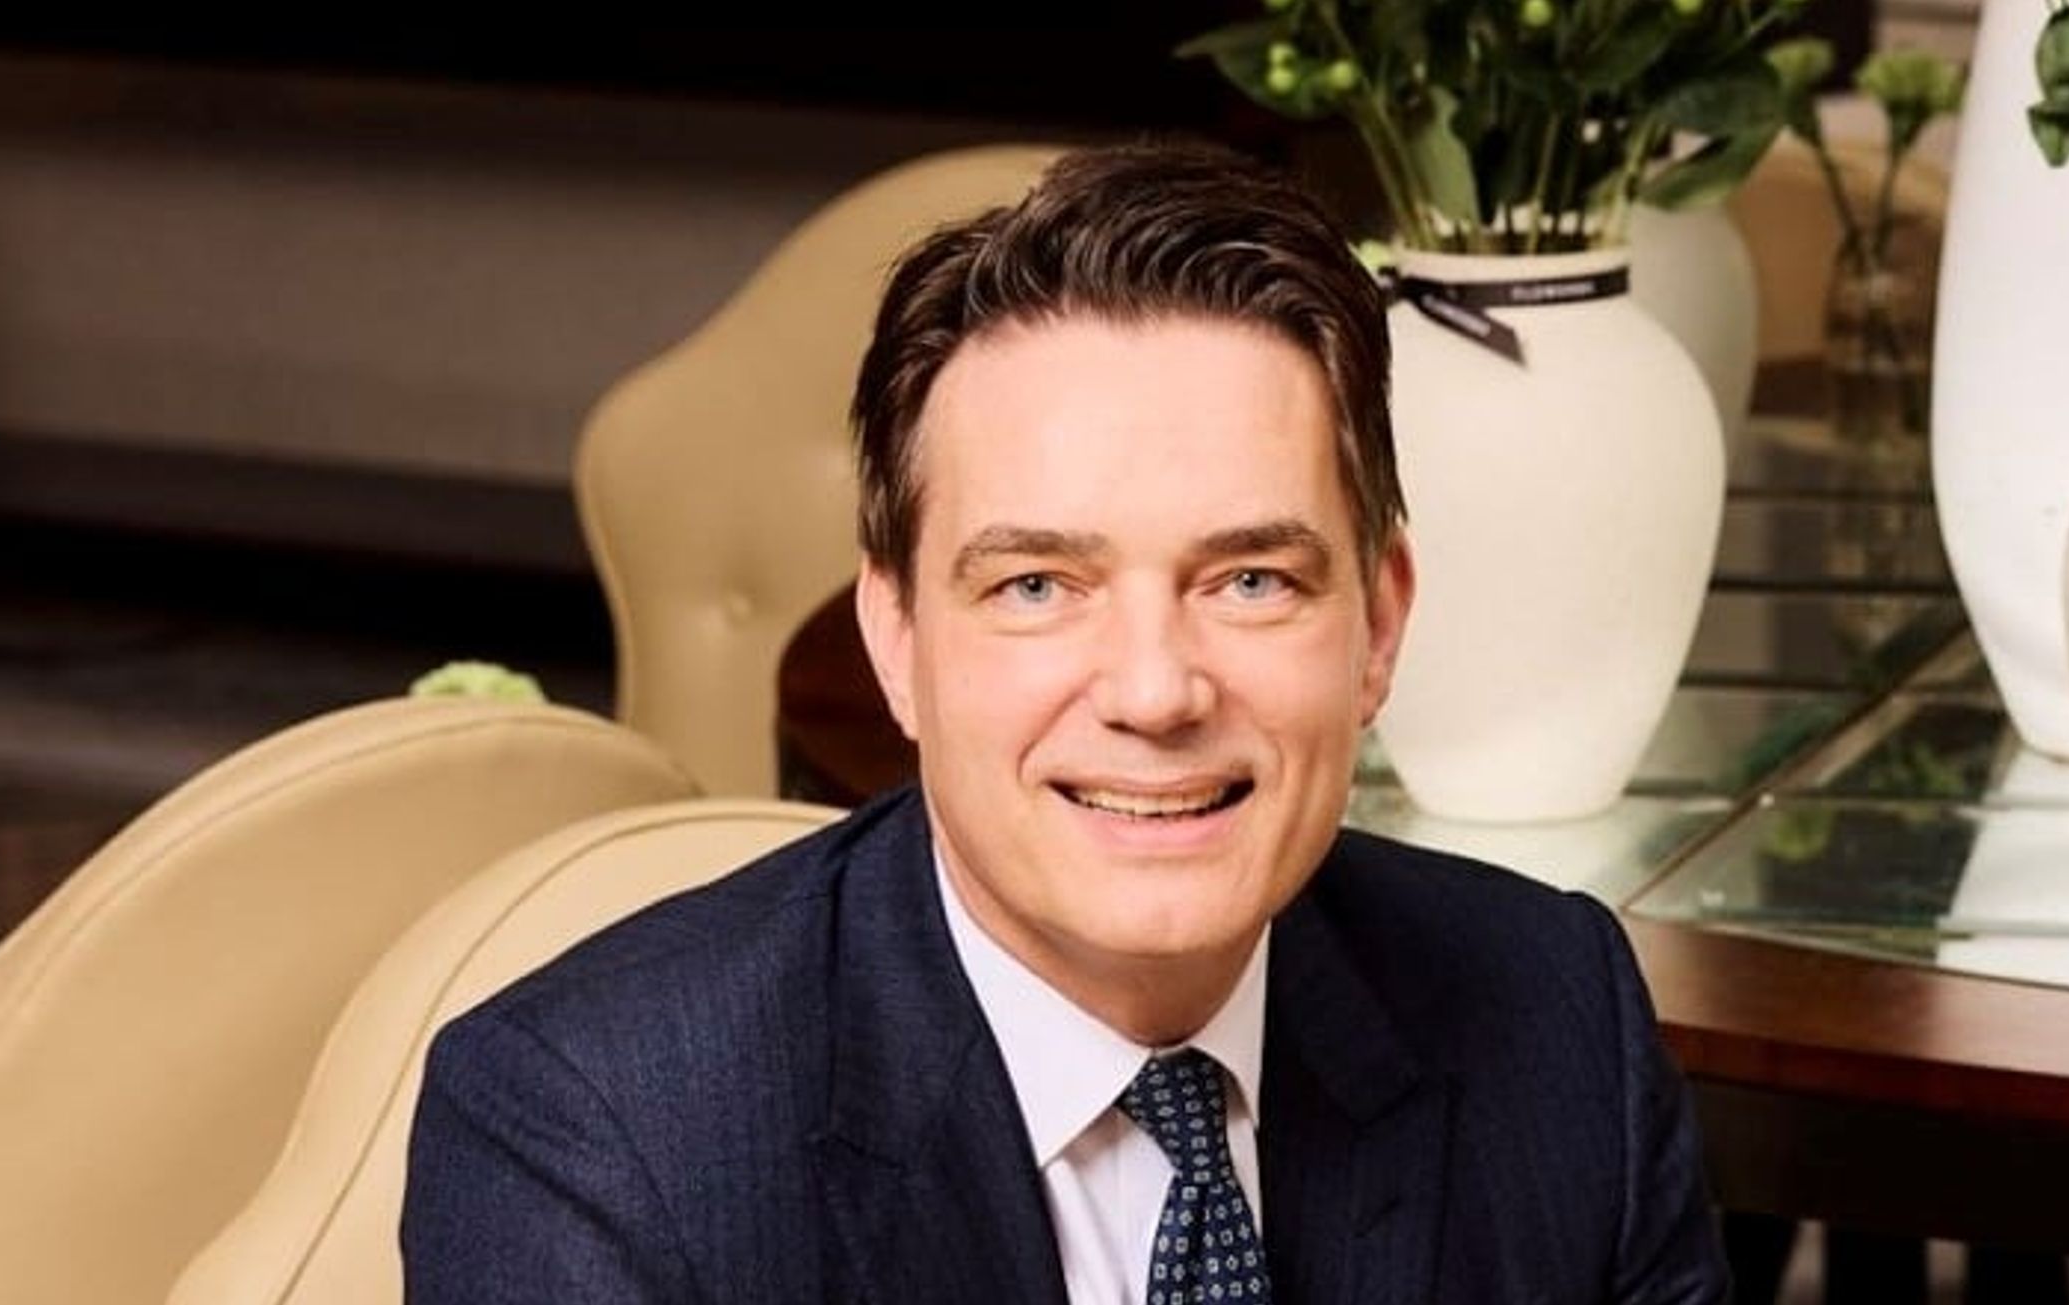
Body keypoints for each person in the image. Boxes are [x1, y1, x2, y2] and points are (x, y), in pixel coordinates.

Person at [402, 141, 1726, 1304]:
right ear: (898, 639)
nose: (1155, 691)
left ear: (1378, 623)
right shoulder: (593, 1138)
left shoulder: (1558, 1017)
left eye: (1250, 579)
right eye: (1037, 585)